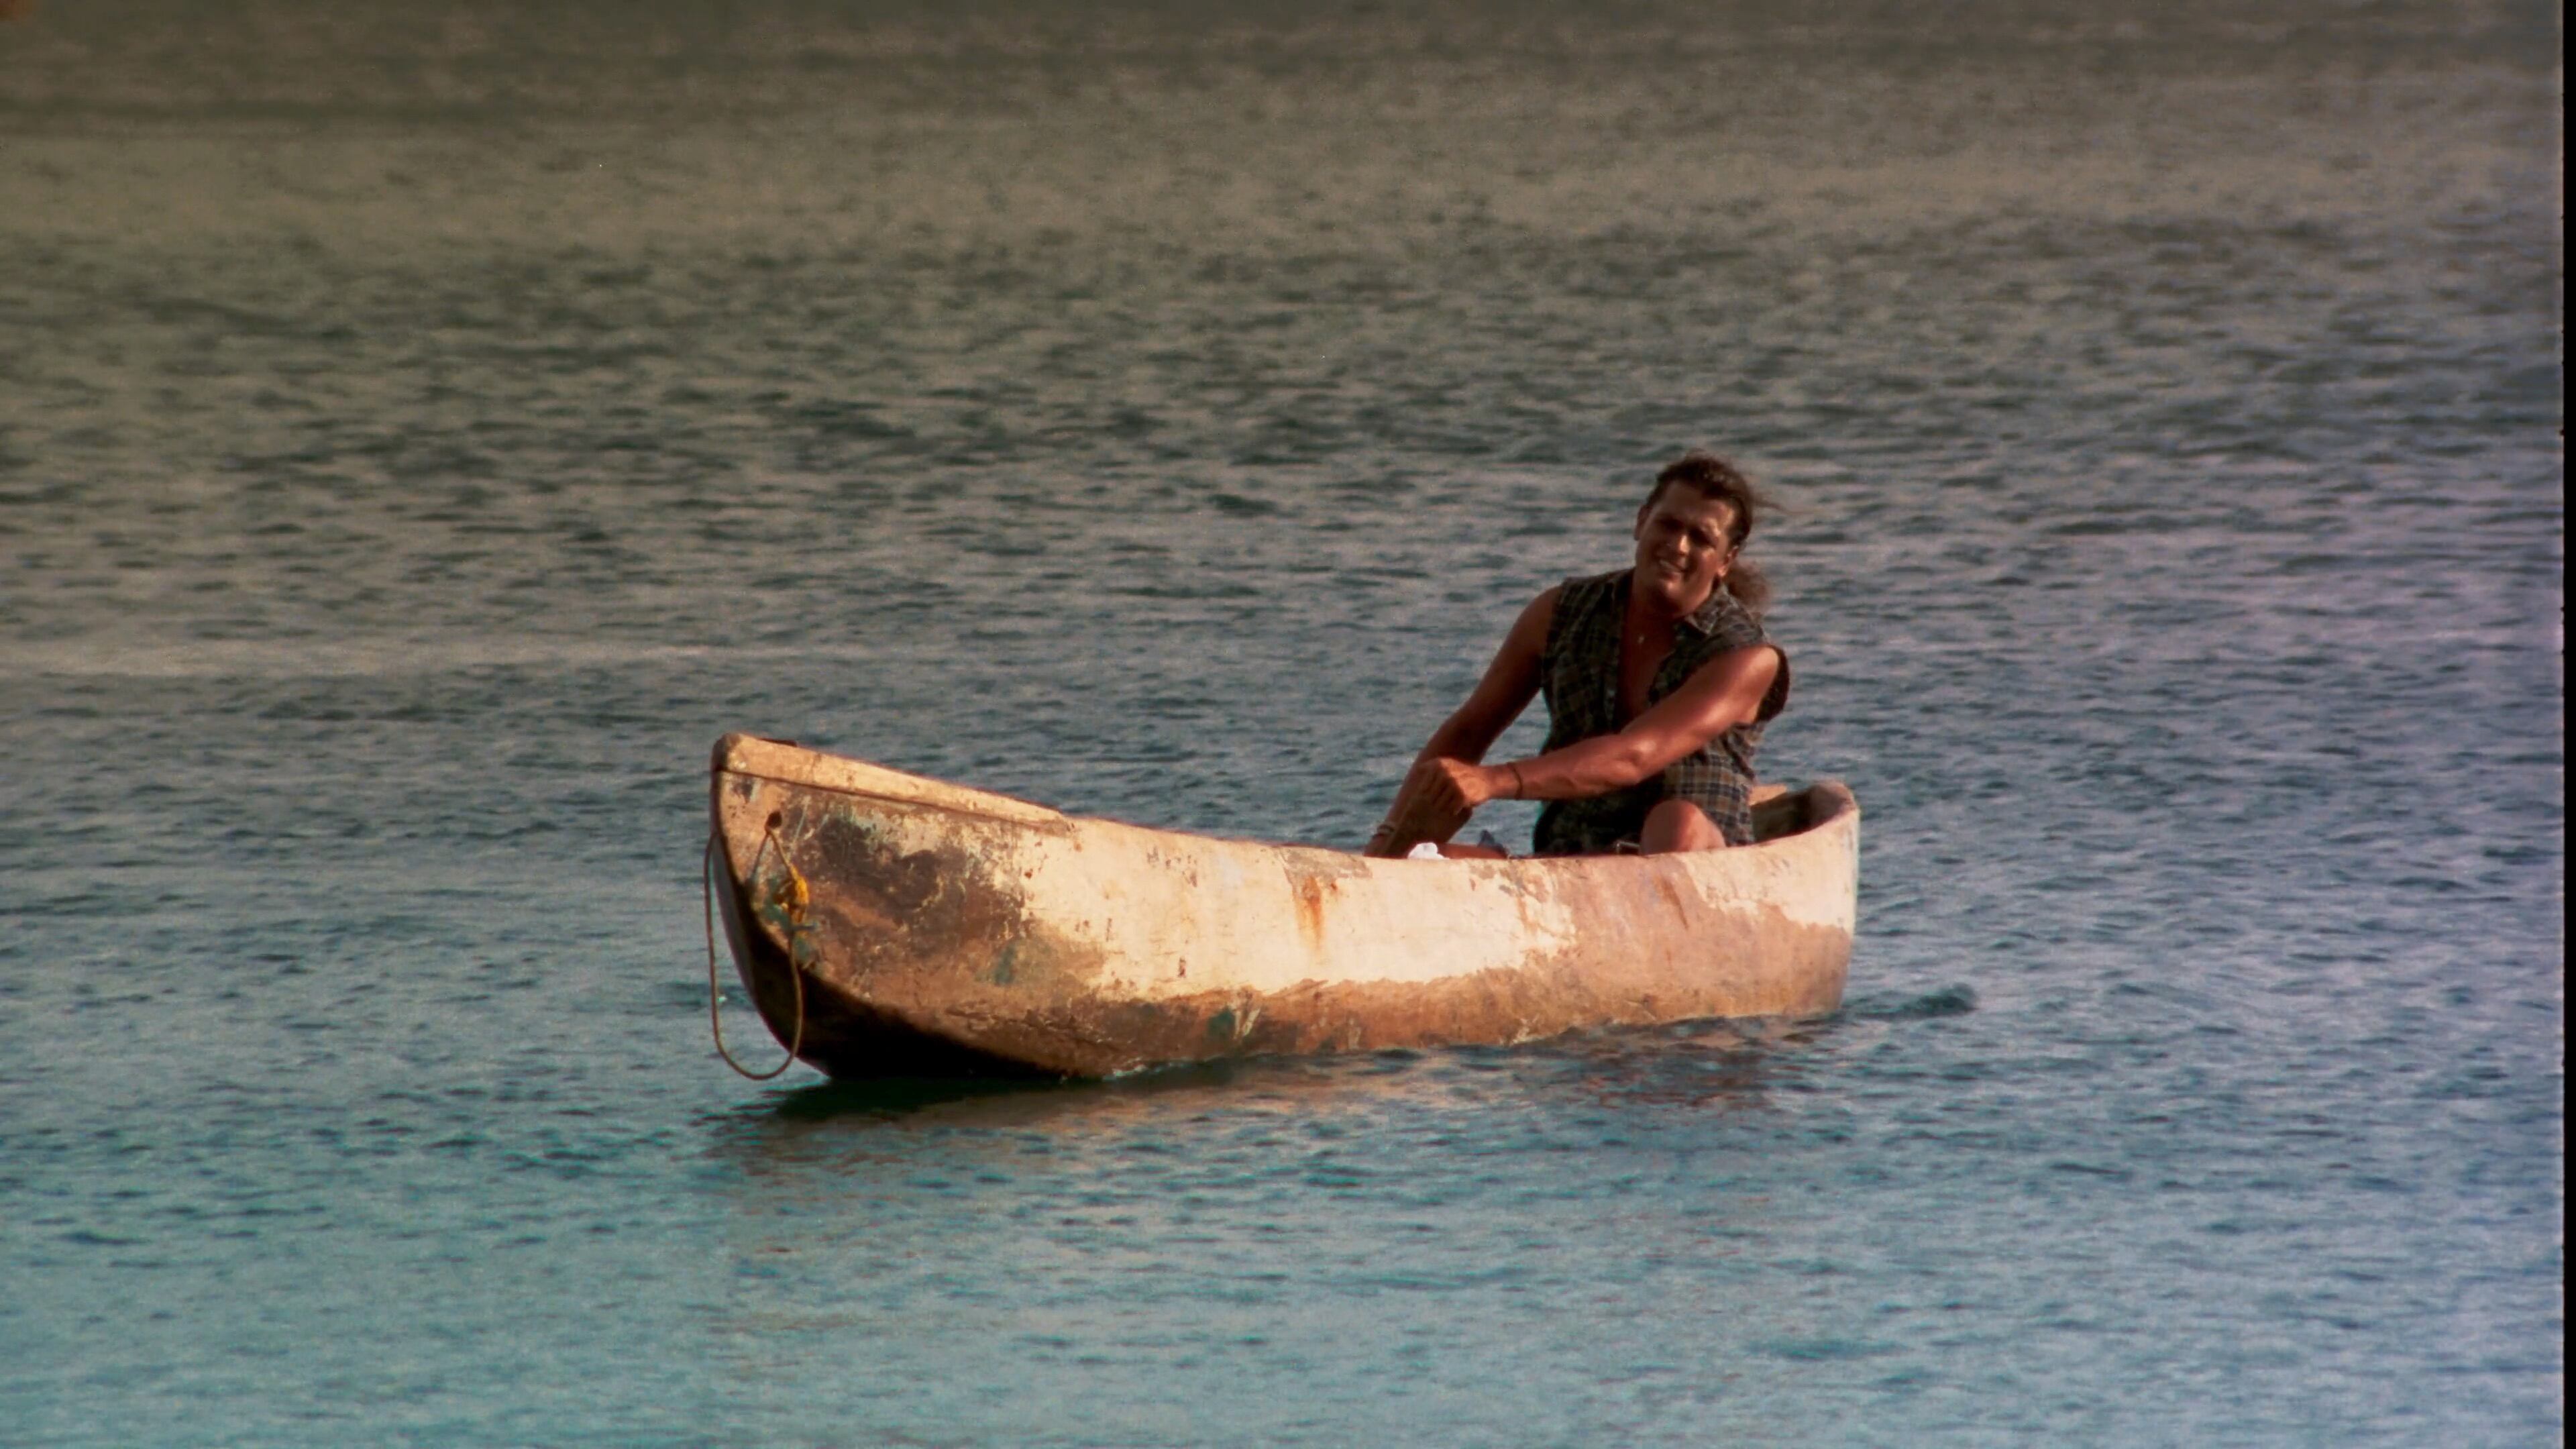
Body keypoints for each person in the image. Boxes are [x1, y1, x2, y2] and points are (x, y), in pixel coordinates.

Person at [1364, 451, 1789, 859]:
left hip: (1690, 856)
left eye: (1700, 539)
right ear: (1641, 522)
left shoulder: (1746, 657)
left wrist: (1495, 780)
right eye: (1668, 524)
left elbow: (1633, 756)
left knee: (1674, 821)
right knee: (1429, 861)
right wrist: (1392, 841)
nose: (1678, 546)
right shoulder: (1561, 613)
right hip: (1573, 855)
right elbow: (1470, 731)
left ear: (1725, 560)